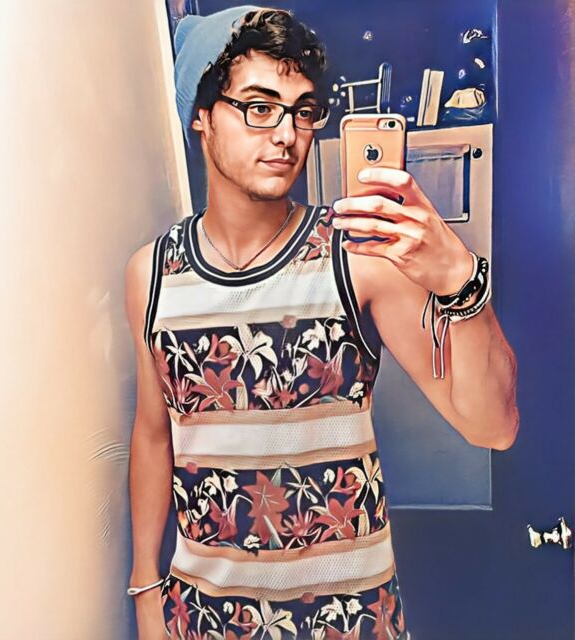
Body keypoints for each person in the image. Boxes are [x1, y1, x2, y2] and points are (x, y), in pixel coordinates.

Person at [124, 6, 519, 639]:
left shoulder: (357, 257)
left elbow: (492, 426)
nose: (287, 134)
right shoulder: (152, 273)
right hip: (206, 620)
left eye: (303, 111)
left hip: (349, 621)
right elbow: (153, 434)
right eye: (259, 107)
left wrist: (460, 281)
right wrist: (146, 586)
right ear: (201, 115)